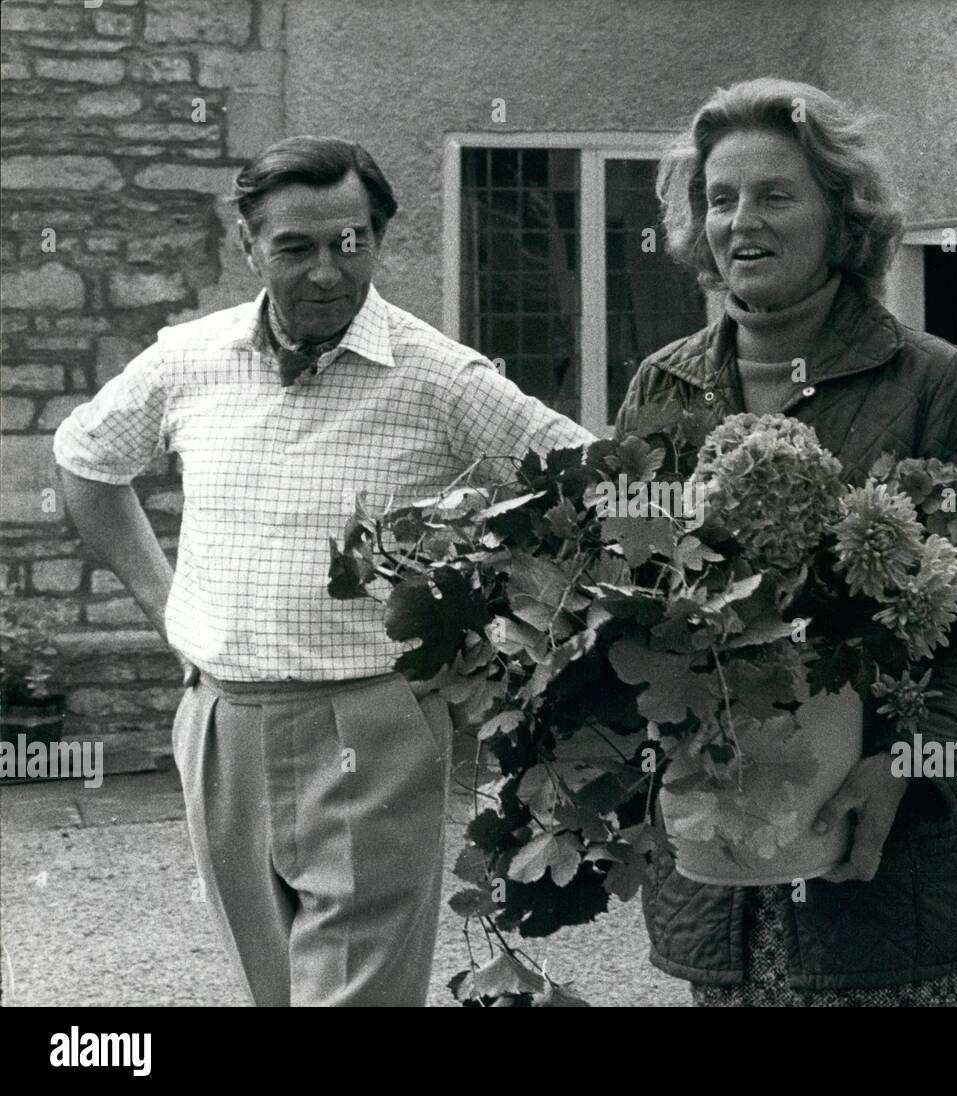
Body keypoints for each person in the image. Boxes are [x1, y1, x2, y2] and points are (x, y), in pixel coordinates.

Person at [54, 135, 593, 1006]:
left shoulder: (442, 378)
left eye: (350, 242)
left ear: (377, 238)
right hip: (219, 721)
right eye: (293, 247)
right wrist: (167, 608)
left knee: (351, 997)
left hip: (369, 726)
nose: (326, 272)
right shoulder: (189, 358)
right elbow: (84, 461)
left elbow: (590, 484)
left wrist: (504, 623)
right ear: (247, 245)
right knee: (273, 990)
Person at [614, 79, 957, 1006]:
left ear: (840, 214)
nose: (742, 221)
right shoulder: (666, 386)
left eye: (777, 194)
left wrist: (909, 764)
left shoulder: (936, 383)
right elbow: (625, 596)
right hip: (721, 872)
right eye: (720, 198)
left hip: (888, 873)